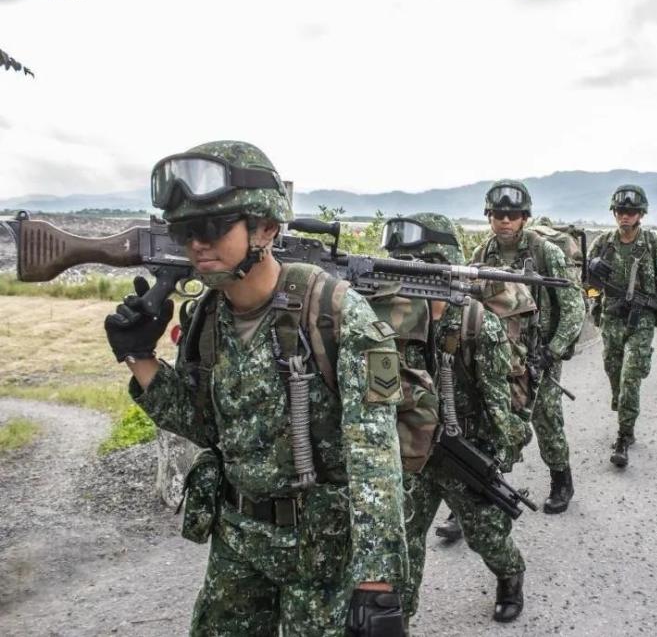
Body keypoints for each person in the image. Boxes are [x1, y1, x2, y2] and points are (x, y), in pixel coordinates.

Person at [104, 141, 408, 636]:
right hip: (238, 543)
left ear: (265, 228)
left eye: (212, 228)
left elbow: (374, 457)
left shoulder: (335, 311)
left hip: (322, 552)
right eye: (184, 231)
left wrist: (377, 584)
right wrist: (140, 358)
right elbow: (206, 426)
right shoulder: (209, 315)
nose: (196, 245)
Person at [383, 213, 530, 624]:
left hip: (462, 448)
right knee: (404, 540)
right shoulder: (385, 320)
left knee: (488, 536)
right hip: (412, 449)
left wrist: (500, 454)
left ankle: (510, 575)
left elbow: (499, 404)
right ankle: (399, 616)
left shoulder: (475, 323)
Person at [470, 180, 585, 514]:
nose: (505, 221)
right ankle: (474, 494)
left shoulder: (545, 251)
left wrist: (553, 350)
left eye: (513, 214)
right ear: (490, 216)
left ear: (524, 217)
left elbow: (574, 306)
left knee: (546, 417)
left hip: (539, 352)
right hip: (498, 354)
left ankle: (561, 480)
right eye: (499, 214)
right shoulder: (483, 253)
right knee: (487, 419)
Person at [588, 185, 657, 467]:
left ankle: (624, 435)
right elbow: (588, 287)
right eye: (620, 211)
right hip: (612, 317)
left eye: (630, 211)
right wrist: (593, 285)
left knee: (631, 376)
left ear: (640, 214)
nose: (624, 216)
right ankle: (622, 406)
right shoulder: (603, 243)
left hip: (641, 319)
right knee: (613, 371)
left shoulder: (654, 244)